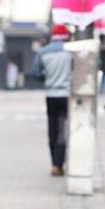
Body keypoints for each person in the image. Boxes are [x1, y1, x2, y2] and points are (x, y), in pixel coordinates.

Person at [31, 24, 72, 177]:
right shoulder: (71, 52)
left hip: (51, 94)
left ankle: (54, 163)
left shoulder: (43, 52)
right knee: (63, 130)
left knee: (52, 128)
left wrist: (47, 78)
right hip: (67, 95)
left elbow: (35, 73)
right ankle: (58, 163)